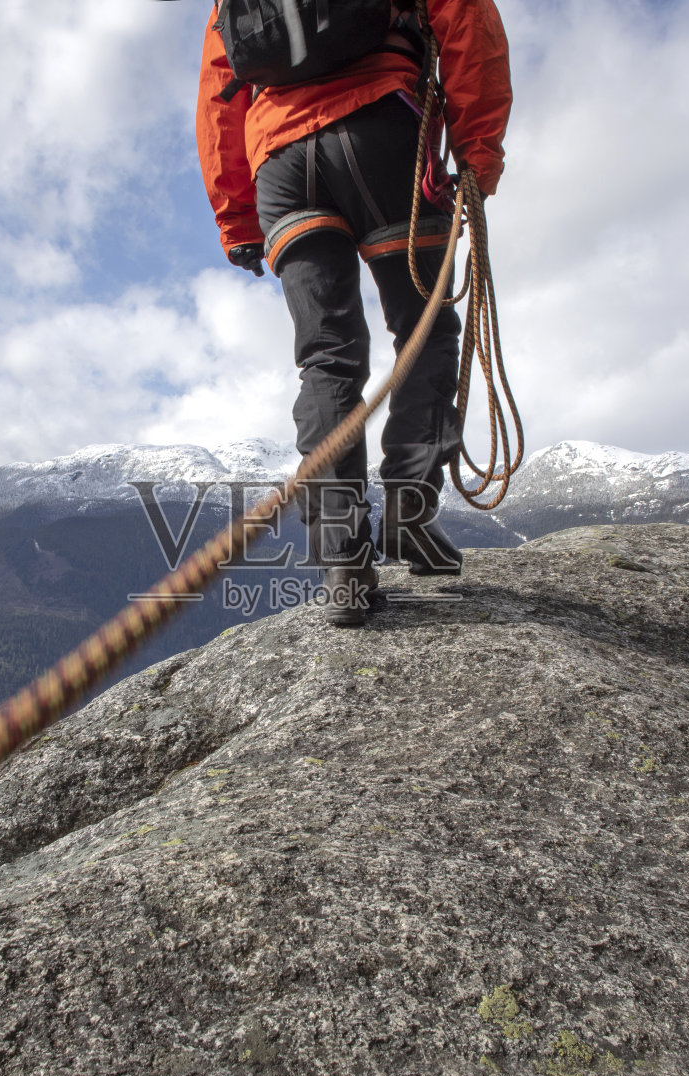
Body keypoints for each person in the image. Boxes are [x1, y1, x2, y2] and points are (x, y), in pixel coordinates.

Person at [195, 0, 512, 627]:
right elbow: (470, 27)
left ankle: (343, 566)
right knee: (426, 325)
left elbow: (217, 91)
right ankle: (408, 511)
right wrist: (479, 153)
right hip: (383, 132)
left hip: (281, 165)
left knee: (326, 355)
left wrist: (236, 218)